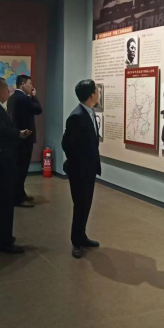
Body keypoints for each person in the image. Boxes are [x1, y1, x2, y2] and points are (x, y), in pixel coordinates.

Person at [0, 77, 31, 253]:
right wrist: (18, 134)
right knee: (4, 201)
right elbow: (0, 132)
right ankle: (4, 240)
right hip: (2, 163)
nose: (8, 91)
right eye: (5, 89)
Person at [62, 79, 101, 259]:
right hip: (79, 170)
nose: (98, 93)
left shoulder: (90, 113)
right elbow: (67, 144)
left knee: (86, 204)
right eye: (96, 91)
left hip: (89, 168)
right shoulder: (76, 116)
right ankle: (76, 241)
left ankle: (82, 236)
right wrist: (79, 162)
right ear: (91, 95)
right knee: (80, 205)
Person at [7, 74, 43, 208]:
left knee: (18, 168)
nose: (32, 87)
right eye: (29, 84)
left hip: (16, 138)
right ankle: (17, 198)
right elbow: (38, 109)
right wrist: (34, 96)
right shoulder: (23, 98)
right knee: (21, 169)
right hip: (24, 139)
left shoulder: (12, 98)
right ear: (22, 84)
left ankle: (20, 194)